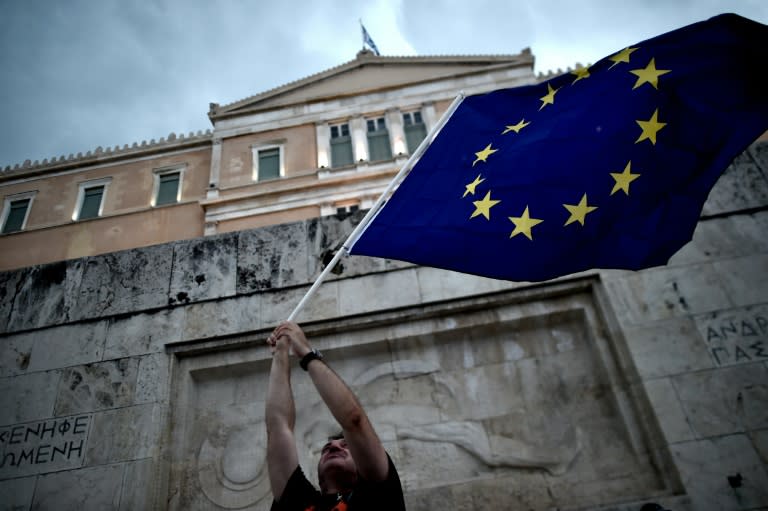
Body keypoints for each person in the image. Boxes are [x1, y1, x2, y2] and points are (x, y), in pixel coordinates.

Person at [265, 321, 406, 511]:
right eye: (326, 448)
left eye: (345, 445)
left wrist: (307, 354)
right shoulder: (299, 501)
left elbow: (354, 422)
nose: (333, 446)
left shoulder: (378, 493)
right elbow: (278, 428)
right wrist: (280, 354)